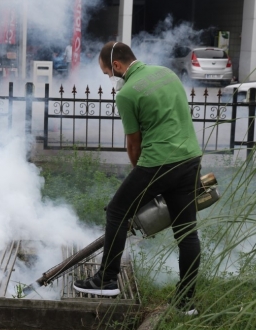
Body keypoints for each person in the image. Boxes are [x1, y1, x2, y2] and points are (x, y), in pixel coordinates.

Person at [73, 41, 203, 315]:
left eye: (109, 73)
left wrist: (141, 178)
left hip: (157, 163)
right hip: (190, 158)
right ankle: (186, 302)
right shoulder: (167, 73)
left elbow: (134, 144)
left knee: (117, 210)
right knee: (186, 232)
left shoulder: (127, 94)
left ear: (117, 66)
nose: (110, 78)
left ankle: (107, 280)